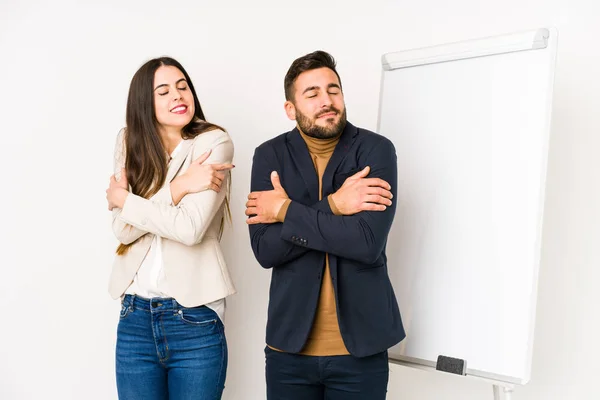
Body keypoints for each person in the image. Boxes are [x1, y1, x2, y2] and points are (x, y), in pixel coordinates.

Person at [246, 50, 405, 399]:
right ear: (291, 108)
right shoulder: (270, 155)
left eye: (333, 90)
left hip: (360, 350)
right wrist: (336, 204)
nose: (327, 100)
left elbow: (366, 243)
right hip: (288, 352)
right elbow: (266, 250)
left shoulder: (375, 151)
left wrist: (285, 210)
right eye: (312, 93)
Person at [105, 56, 235, 400]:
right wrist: (180, 187)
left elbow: (190, 228)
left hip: (194, 318)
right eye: (163, 91)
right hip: (134, 318)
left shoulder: (213, 142)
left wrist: (126, 201)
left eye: (182, 86)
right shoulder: (129, 143)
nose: (178, 96)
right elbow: (122, 231)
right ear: (144, 104)